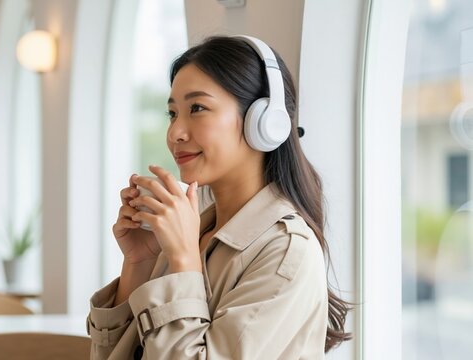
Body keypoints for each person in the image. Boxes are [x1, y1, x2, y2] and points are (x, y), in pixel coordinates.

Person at [86, 35, 352, 359]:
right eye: (173, 113)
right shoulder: (189, 231)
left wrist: (184, 258)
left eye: (197, 108)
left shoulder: (286, 251)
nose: (175, 133)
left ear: (264, 121)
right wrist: (138, 263)